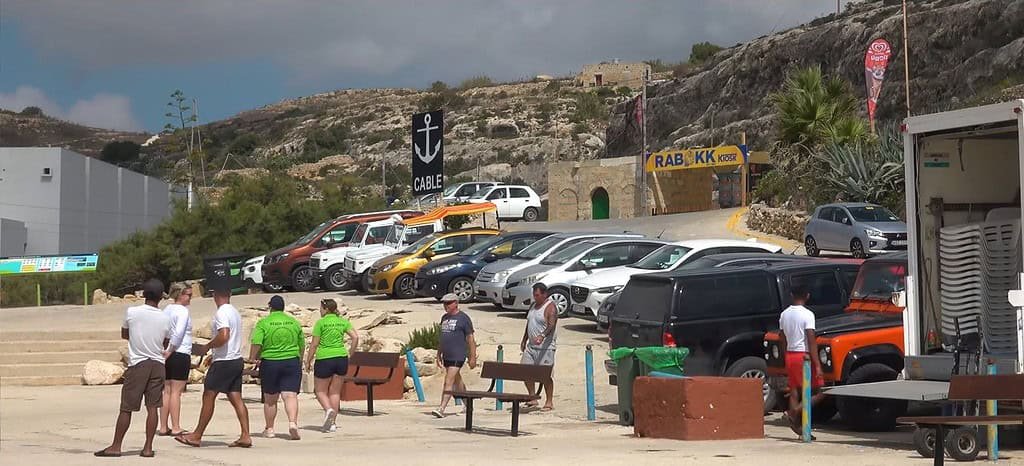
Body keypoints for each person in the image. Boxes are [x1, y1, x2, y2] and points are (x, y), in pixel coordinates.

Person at [95, 279, 171, 458]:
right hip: (158, 364)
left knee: (127, 407)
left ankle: (116, 446)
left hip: (138, 364)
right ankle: (148, 447)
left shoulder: (132, 312)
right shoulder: (165, 318)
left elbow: (125, 333)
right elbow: (165, 342)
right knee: (153, 407)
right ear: (161, 297)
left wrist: (138, 339)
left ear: (143, 294)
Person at [175, 288, 252, 449]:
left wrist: (207, 347)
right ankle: (246, 435)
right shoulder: (234, 312)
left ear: (215, 295)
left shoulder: (221, 312)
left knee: (209, 395)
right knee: (236, 397)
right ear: (230, 294)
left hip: (224, 362)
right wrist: (214, 354)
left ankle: (197, 435)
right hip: (235, 359)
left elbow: (224, 336)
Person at [248, 295, 304, 440]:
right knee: (290, 395)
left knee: (270, 399)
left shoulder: (264, 323)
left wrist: (252, 357)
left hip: (270, 362)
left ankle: (270, 428)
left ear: (270, 307)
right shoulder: (294, 322)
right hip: (291, 360)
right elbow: (301, 344)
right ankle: (292, 423)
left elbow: (257, 342)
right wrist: (300, 359)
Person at [778, 284, 826, 437]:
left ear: (792, 295)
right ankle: (793, 412)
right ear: (807, 295)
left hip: (790, 355)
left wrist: (785, 356)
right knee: (821, 391)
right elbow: (811, 341)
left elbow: (782, 338)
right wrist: (817, 365)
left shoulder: (784, 314)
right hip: (803, 356)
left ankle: (801, 431)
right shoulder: (808, 314)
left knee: (794, 391)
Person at [305, 298, 359, 433]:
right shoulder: (342, 321)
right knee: (335, 392)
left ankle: (328, 410)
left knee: (320, 391)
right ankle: (333, 423)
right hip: (341, 357)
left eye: (321, 308)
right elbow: (355, 337)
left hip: (325, 358)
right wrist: (350, 353)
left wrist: (308, 360)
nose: (319, 310)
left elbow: (314, 344)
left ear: (326, 309)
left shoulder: (321, 323)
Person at [432, 293, 477, 418]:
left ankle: (441, 408)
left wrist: (472, 356)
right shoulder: (444, 318)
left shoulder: (463, 318)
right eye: (444, 303)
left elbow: (470, 338)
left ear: (456, 303)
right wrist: (438, 353)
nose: (446, 305)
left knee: (449, 380)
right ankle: (468, 404)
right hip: (447, 354)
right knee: (458, 381)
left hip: (458, 354)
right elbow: (443, 337)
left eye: (449, 303)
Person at [159, 282, 193, 437]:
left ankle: (163, 426)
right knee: (176, 392)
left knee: (166, 391)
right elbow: (178, 333)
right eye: (188, 295)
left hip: (167, 352)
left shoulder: (167, 309)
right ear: (180, 295)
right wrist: (171, 349)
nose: (190, 298)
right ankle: (176, 426)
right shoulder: (183, 311)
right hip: (180, 352)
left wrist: (166, 350)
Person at [520, 283, 557, 410]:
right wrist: (524, 339)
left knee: (545, 375)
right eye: (534, 295)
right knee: (525, 371)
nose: (535, 297)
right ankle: (532, 397)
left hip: (546, 348)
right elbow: (529, 323)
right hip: (531, 346)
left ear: (544, 294)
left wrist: (542, 335)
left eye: (537, 295)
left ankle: (549, 401)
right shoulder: (533, 306)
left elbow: (551, 325)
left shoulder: (550, 307)